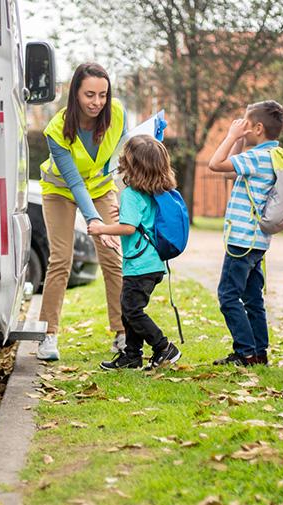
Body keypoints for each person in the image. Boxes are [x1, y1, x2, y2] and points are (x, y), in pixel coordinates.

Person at [36, 63, 127, 361]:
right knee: (61, 259)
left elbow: (120, 154)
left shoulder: (117, 115)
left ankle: (122, 333)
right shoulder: (56, 129)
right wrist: (94, 220)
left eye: (102, 95)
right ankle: (48, 335)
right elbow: (74, 182)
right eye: (89, 94)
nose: (97, 102)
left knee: (113, 257)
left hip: (100, 189)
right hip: (60, 191)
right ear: (75, 92)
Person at [206, 101, 283, 366]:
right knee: (253, 298)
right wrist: (240, 140)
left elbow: (215, 164)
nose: (241, 126)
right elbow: (233, 173)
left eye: (245, 122)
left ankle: (245, 352)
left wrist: (231, 135)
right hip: (258, 242)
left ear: (257, 127)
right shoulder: (274, 155)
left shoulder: (256, 158)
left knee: (228, 296)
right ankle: (259, 352)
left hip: (241, 239)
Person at [90, 135, 182, 371]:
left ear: (131, 165)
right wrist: (123, 210)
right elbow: (142, 219)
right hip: (150, 264)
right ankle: (131, 356)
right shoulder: (152, 191)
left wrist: (101, 228)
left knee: (131, 310)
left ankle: (163, 347)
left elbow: (128, 228)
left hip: (141, 266)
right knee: (128, 308)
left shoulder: (131, 193)